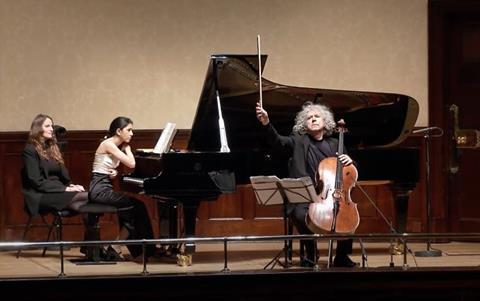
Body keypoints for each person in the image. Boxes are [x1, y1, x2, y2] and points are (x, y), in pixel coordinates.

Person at [255, 101, 357, 268]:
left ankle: (341, 256)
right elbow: (278, 141)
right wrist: (266, 122)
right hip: (306, 195)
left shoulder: (335, 144)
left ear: (325, 122)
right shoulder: (298, 141)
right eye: (309, 118)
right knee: (300, 214)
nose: (313, 119)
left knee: (346, 215)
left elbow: (350, 171)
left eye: (317, 116)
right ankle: (310, 253)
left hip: (330, 194)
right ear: (304, 123)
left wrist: (350, 161)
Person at [88, 116, 158, 261]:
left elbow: (104, 169)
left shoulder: (113, 145)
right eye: (129, 130)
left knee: (138, 207)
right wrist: (128, 150)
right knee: (136, 208)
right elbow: (131, 164)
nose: (132, 133)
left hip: (104, 187)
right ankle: (118, 246)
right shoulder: (109, 144)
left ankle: (121, 246)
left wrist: (114, 173)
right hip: (99, 190)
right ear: (119, 131)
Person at [21, 114, 89, 222]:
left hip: (59, 191)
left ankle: (91, 235)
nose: (52, 129)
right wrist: (66, 189)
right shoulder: (30, 150)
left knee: (86, 202)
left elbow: (64, 177)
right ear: (38, 128)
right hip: (41, 195)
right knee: (88, 198)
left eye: (52, 126)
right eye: (47, 126)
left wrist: (71, 185)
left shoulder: (53, 148)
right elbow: (36, 181)